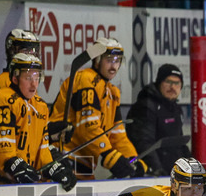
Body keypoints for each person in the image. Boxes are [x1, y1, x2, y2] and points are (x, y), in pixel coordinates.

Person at [0, 53, 76, 190]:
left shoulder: (41, 106)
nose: (34, 83)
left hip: (11, 179)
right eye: (28, 78)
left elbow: (42, 148)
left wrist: (51, 167)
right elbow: (2, 144)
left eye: (37, 77)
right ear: (15, 78)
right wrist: (13, 164)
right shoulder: (3, 98)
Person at [49, 37, 146, 179]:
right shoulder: (85, 79)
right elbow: (87, 126)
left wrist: (132, 159)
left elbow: (117, 134)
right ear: (97, 60)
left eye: (117, 61)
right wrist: (109, 155)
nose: (114, 66)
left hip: (84, 165)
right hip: (62, 159)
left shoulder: (113, 93)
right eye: (109, 60)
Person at [125, 63, 190, 176]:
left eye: (177, 83)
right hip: (151, 175)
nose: (172, 87)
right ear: (159, 83)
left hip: (172, 174)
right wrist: (158, 170)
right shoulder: (146, 107)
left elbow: (179, 144)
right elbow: (144, 144)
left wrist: (192, 167)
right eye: (168, 82)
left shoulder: (176, 109)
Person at [0, 29, 41, 95]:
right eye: (25, 50)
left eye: (33, 51)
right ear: (12, 51)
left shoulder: (29, 79)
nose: (30, 54)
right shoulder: (3, 80)